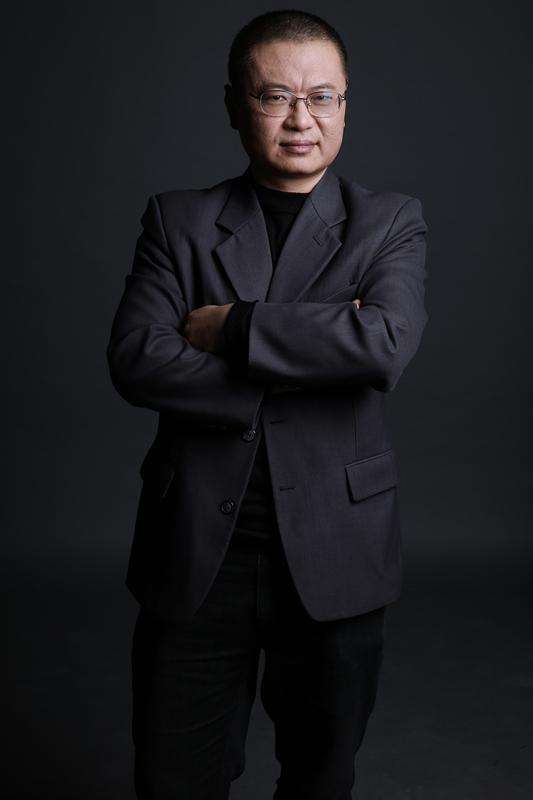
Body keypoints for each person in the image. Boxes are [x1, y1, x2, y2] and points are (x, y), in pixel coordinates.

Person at [106, 9, 429, 799]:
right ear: (234, 104)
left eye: (321, 97)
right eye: (274, 96)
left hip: (335, 546)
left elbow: (383, 346)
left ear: (344, 105)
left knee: (320, 777)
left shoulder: (388, 220)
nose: (299, 120)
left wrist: (232, 328)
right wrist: (320, 350)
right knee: (175, 777)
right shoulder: (178, 219)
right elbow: (138, 359)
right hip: (197, 548)